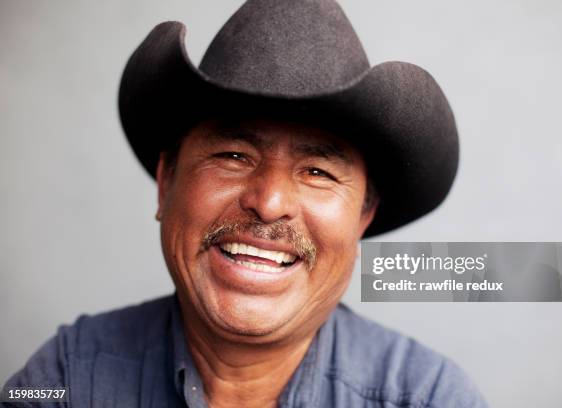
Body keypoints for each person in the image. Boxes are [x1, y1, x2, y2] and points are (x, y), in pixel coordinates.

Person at [3, 0, 487, 407]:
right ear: (165, 182)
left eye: (317, 172)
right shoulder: (63, 379)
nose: (270, 202)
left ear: (364, 215)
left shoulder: (429, 398)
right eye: (233, 155)